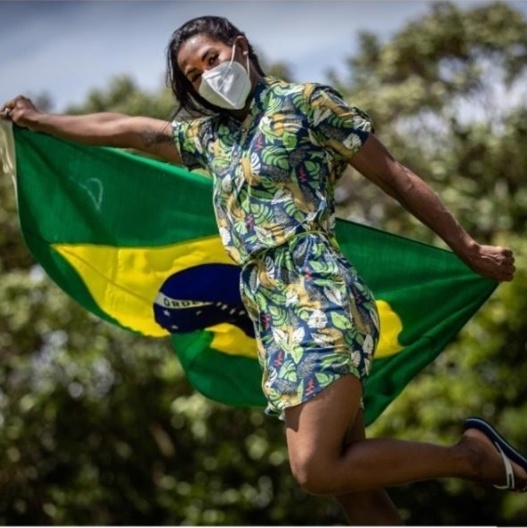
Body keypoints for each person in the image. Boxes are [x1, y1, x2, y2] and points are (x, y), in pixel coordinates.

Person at [2, 15, 525, 526]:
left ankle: (471, 458)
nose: (207, 77)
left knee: (315, 468)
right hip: (271, 310)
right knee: (356, 492)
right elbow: (127, 129)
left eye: (211, 59)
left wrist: (466, 246)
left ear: (240, 46)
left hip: (317, 288)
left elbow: (395, 177)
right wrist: (40, 119)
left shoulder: (305, 104)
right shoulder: (211, 139)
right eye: (192, 75)